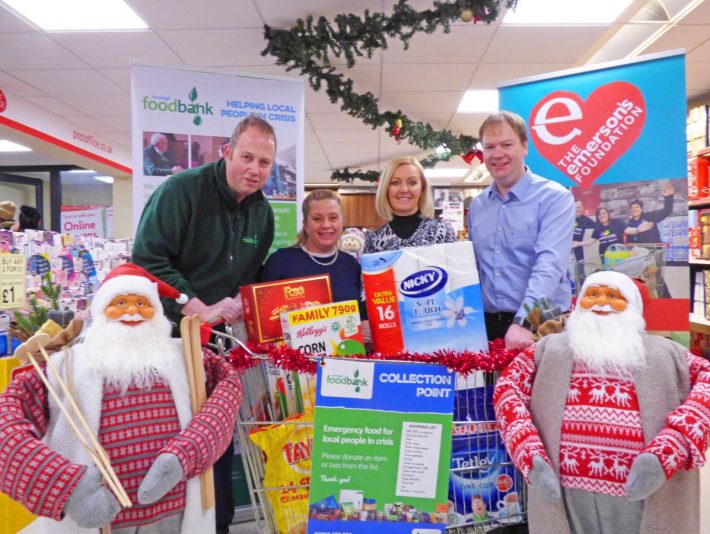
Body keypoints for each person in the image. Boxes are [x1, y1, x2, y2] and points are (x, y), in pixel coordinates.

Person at [0, 262, 242, 533]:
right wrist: (64, 487)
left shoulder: (187, 358)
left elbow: (228, 390)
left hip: (176, 516)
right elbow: (5, 425)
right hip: (99, 523)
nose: (131, 310)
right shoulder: (62, 366)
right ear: (101, 312)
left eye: (142, 303)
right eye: (121, 302)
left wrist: (187, 452)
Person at [132, 113, 277, 534]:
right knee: (170, 442)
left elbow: (248, 279)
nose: (254, 169)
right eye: (246, 157)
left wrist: (237, 303)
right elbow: (148, 260)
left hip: (217, 349)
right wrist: (196, 307)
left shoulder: (262, 214)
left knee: (216, 439)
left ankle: (218, 525)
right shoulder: (182, 190)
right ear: (227, 151)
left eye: (264, 163)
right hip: (165, 341)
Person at [493, 270, 710, 534]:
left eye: (613, 296)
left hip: (645, 495)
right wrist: (527, 450)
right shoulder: (546, 350)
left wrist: (672, 446)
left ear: (632, 306)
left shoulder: (668, 353)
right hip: (564, 495)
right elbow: (507, 390)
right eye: (592, 294)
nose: (601, 302)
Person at [468, 111, 575, 349]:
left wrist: (524, 321)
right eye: (489, 147)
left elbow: (549, 265)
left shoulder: (554, 198)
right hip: (488, 327)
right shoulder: (478, 206)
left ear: (524, 146)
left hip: (541, 325)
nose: (497, 154)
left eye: (506, 144)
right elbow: (474, 268)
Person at [261, 189, 365, 317]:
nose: (326, 225)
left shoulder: (351, 264)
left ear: (341, 221)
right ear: (305, 224)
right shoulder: (280, 262)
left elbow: (361, 313)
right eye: (317, 219)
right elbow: (264, 316)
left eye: (333, 218)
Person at [363, 156, 456, 254]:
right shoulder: (373, 241)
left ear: (422, 190)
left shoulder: (442, 232)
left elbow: (456, 268)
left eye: (412, 183)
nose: (404, 189)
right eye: (395, 182)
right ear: (386, 189)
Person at [571, 200, 595, 285]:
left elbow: (598, 230)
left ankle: (582, 290)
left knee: (581, 274)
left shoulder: (587, 220)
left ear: (582, 208)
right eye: (574, 207)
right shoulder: (567, 219)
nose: (577, 209)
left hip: (581, 252)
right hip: (567, 253)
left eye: (578, 207)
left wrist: (604, 235)